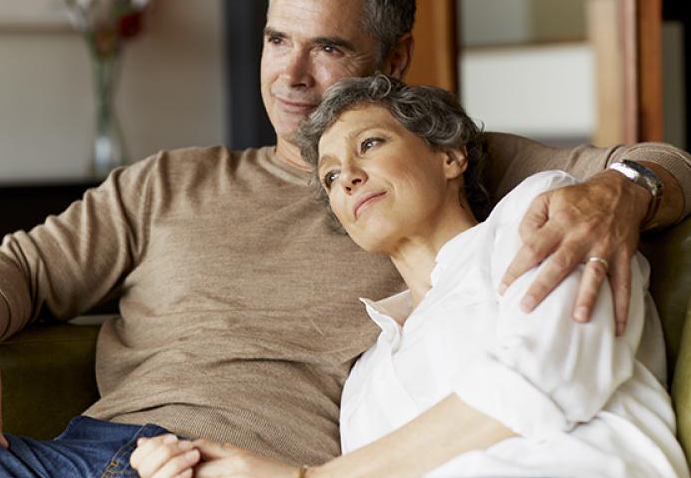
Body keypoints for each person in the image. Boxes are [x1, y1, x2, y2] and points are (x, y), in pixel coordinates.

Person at [0, 0, 690, 476]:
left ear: (396, 58)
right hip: (78, 458)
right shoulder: (168, 182)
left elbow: (653, 162)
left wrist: (624, 191)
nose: (291, 77)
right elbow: (15, 265)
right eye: (275, 40)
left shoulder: (445, 165)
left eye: (328, 48)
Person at [129, 76, 690, 478]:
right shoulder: (367, 377)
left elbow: (546, 379)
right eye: (328, 177)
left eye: (369, 145)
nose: (346, 177)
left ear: (449, 156)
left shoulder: (536, 214)